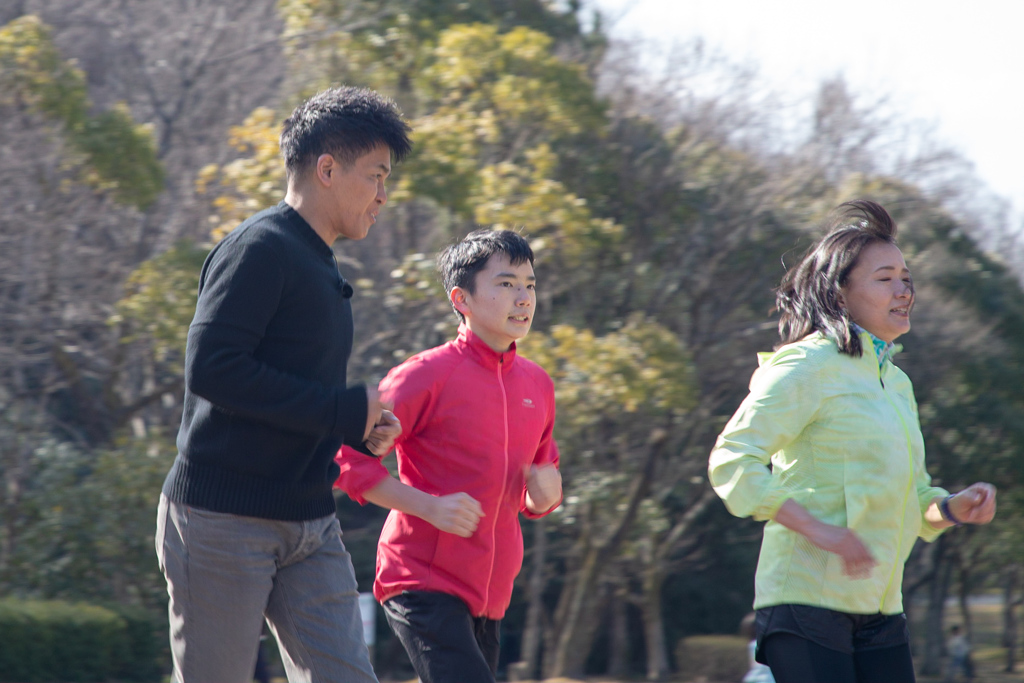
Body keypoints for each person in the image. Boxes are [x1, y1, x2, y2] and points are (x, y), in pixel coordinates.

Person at [155, 86, 411, 683]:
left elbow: (296, 398)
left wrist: (356, 428)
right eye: (375, 175)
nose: (383, 195)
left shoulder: (320, 262)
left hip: (309, 520)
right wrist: (340, 409)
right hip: (222, 520)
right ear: (327, 168)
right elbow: (214, 368)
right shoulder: (260, 248)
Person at [708, 200, 997, 683]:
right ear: (839, 294)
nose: (903, 290)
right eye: (885, 278)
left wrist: (949, 509)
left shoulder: (896, 383)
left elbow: (916, 499)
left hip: (881, 606)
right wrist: (820, 531)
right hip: (805, 602)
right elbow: (732, 461)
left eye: (906, 278)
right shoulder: (806, 365)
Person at [335, 229, 563, 683]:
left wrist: (546, 495)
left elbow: (538, 484)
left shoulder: (538, 385)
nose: (524, 298)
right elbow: (347, 459)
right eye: (506, 284)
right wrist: (430, 507)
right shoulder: (424, 375)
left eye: (530, 284)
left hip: (491, 593)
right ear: (462, 299)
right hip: (421, 580)